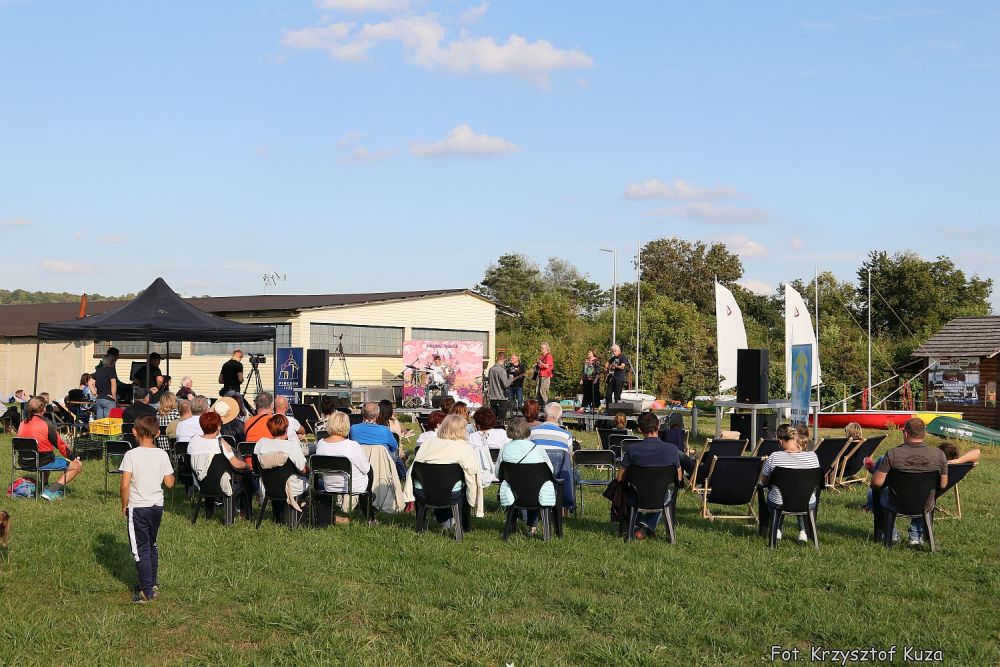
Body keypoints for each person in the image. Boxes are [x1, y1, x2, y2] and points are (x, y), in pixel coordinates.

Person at [118, 415, 175, 604]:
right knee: (151, 544)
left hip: (138, 506)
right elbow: (169, 483)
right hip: (156, 506)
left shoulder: (131, 455)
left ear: (134, 431)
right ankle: (152, 582)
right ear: (158, 433)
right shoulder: (162, 454)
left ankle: (146, 591)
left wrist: (124, 504)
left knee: (140, 549)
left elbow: (124, 484)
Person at [871, 418, 949, 546]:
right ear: (924, 434)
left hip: (896, 504)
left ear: (906, 433)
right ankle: (916, 537)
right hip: (925, 504)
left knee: (872, 493)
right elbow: (943, 484)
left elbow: (876, 483)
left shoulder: (892, 454)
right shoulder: (939, 455)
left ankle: (890, 535)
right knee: (922, 491)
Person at [403, 414, 483, 532]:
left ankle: (437, 520)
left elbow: (413, 468)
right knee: (464, 483)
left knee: (440, 480)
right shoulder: (465, 448)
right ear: (460, 430)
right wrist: (473, 499)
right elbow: (473, 475)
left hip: (423, 492)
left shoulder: (427, 444)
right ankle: (464, 525)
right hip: (451, 493)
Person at [616, 411, 682, 540]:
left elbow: (619, 478)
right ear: (658, 426)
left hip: (637, 497)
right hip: (662, 497)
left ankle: (638, 526)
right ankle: (645, 526)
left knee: (626, 490)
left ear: (640, 430)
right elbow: (678, 478)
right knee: (666, 493)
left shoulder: (632, 450)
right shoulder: (672, 449)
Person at [757, 423, 820, 542]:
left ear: (780, 442)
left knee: (773, 490)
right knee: (798, 490)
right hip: (807, 501)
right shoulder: (813, 456)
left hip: (780, 502)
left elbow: (763, 481)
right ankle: (804, 532)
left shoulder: (774, 457)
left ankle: (772, 530)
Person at [495, 417, 556, 536]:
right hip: (537, 492)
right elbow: (550, 471)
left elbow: (498, 473)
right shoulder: (538, 449)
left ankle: (512, 524)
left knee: (517, 485)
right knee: (535, 485)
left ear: (509, 431)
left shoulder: (504, 449)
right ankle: (532, 526)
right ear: (527, 430)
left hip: (514, 492)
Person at [17, 397, 84, 500]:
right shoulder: (46, 424)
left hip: (23, 461)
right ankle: (51, 492)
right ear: (43, 409)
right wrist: (74, 458)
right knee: (76, 466)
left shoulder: (22, 423)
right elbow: (60, 446)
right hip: (42, 461)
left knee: (45, 455)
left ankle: (45, 486)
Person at [314, 411, 372, 524]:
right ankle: (369, 515)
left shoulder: (321, 444)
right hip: (350, 486)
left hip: (329, 485)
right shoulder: (352, 446)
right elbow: (366, 468)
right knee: (370, 471)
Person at [254, 414, 309, 506]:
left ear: (270, 429)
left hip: (268, 487)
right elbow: (304, 470)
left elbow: (255, 464)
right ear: (286, 429)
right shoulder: (292, 446)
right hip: (291, 489)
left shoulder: (261, 443)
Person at [350, 401, 406, 480]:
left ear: (362, 413)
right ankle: (399, 475)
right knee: (394, 452)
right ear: (377, 414)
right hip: (381, 466)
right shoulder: (385, 430)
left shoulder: (353, 429)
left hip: (361, 465)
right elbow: (394, 447)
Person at [467, 407, 508, 485]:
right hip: (499, 472)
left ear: (477, 423)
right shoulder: (501, 433)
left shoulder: (471, 437)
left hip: (479, 473)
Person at [486, 352, 512, 423]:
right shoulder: (502, 370)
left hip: (492, 399)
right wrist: (511, 378)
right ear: (504, 359)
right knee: (500, 421)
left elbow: (489, 383)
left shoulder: (491, 369)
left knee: (492, 421)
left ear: (497, 358)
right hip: (501, 399)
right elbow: (506, 384)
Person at [92, 351, 120, 419]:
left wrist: (95, 394)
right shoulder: (111, 371)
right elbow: (113, 383)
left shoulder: (98, 371)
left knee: (99, 421)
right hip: (108, 399)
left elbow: (90, 382)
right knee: (108, 421)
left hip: (99, 399)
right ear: (111, 362)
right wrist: (114, 396)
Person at [605, 344, 630, 408]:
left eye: (615, 351)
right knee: (608, 394)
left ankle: (617, 409)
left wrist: (616, 366)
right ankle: (608, 408)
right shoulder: (613, 358)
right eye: (613, 351)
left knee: (617, 395)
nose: (613, 353)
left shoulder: (623, 357)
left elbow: (622, 366)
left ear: (619, 350)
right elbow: (607, 363)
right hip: (612, 379)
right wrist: (608, 366)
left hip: (619, 379)